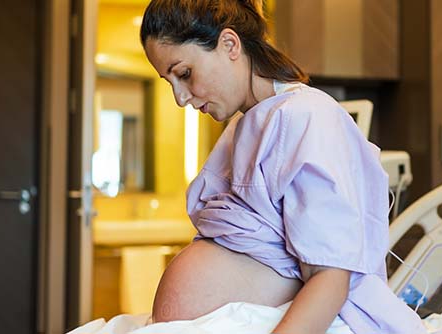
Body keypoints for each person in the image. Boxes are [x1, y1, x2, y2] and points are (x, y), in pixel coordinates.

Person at [140, 0, 426, 333]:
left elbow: (330, 277)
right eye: (169, 82)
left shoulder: (304, 117)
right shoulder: (245, 126)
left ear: (230, 44)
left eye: (185, 74)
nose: (180, 97)